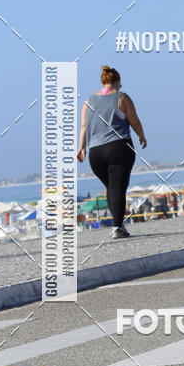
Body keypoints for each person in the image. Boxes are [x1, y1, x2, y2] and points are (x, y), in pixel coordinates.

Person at [77, 66, 146, 239]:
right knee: (118, 188)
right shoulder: (122, 97)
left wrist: (81, 147)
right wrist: (142, 135)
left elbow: (84, 127)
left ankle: (118, 226)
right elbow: (134, 121)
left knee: (111, 187)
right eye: (119, 84)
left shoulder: (88, 101)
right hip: (119, 148)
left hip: (95, 153)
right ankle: (117, 227)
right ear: (116, 82)